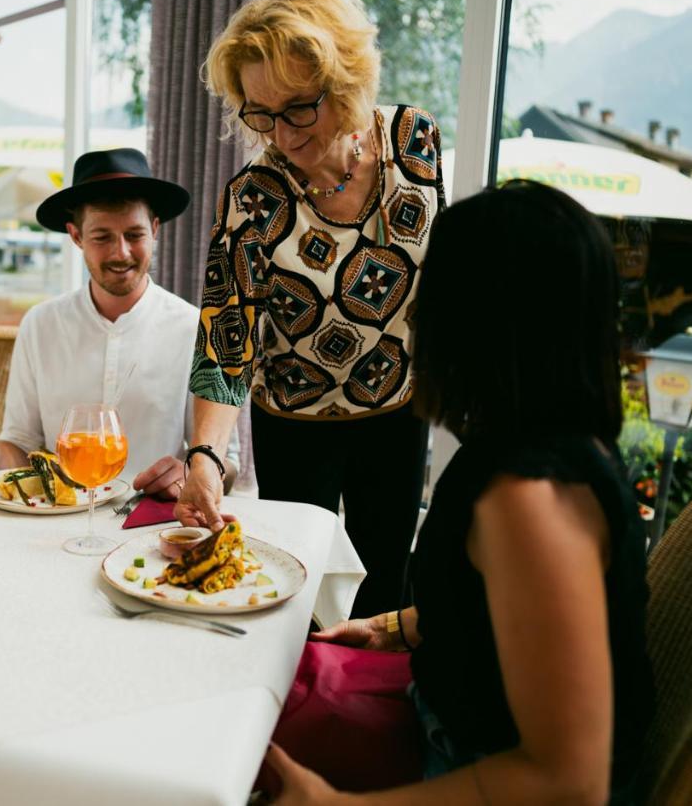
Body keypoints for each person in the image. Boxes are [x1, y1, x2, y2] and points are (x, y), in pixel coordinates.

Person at [264, 180, 655, 804]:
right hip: (445, 721)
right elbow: (508, 613)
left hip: (464, 764)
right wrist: (398, 626)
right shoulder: (548, 441)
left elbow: (569, 782)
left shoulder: (530, 498)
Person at [177, 0, 444, 617]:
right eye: (260, 113)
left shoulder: (415, 142)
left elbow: (443, 278)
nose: (283, 134)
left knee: (385, 588)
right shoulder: (254, 198)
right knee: (303, 597)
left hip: (398, 408)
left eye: (300, 107)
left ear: (347, 81)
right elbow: (226, 337)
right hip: (295, 423)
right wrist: (207, 456)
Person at [0, 147, 237, 496]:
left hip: (152, 521)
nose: (121, 253)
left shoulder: (196, 329)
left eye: (134, 235)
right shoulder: (40, 325)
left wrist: (192, 471)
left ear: (155, 229)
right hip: (58, 522)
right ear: (76, 236)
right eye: (102, 237)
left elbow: (229, 463)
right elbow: (21, 445)